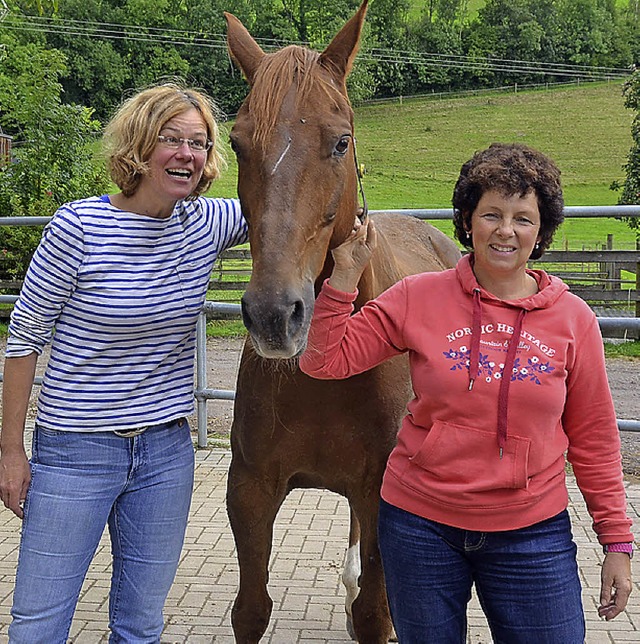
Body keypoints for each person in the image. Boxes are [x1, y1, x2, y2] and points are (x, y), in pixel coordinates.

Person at [299, 142, 633, 642]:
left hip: (531, 534)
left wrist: (617, 543)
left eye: (523, 217)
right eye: (491, 213)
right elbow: (323, 360)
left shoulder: (573, 320)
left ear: (541, 230)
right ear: (467, 221)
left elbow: (595, 440)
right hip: (419, 528)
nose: (505, 230)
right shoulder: (418, 297)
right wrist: (343, 279)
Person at [0, 82, 248, 643]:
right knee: (39, 623)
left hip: (164, 453)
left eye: (200, 143)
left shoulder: (210, 222)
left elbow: (296, 204)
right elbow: (24, 339)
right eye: (171, 139)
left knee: (140, 626)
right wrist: (10, 450)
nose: (188, 153)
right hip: (73, 452)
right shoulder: (79, 227)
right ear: (139, 146)